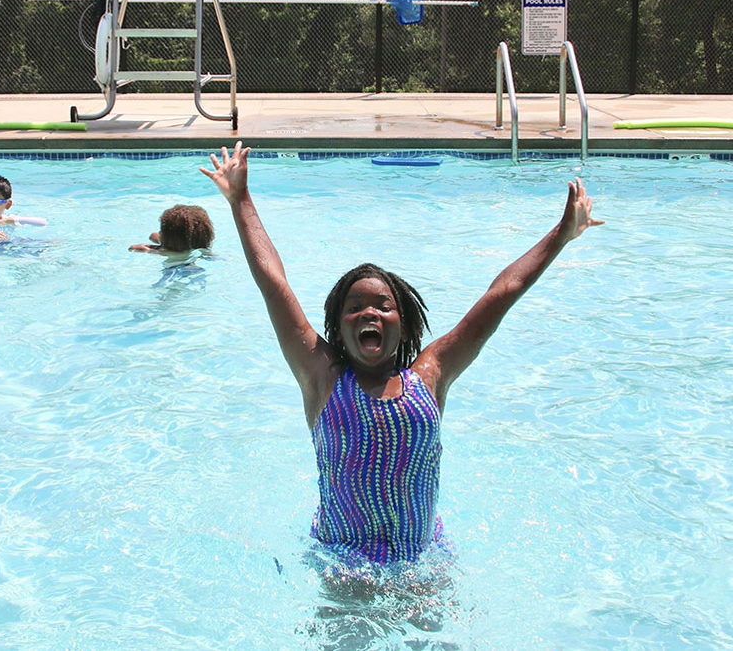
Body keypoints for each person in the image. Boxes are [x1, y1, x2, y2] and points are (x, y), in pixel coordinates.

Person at [200, 142, 604, 565]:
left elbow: (502, 293)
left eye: (383, 306)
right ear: (337, 330)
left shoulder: (431, 376)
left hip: (423, 561)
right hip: (342, 564)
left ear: (405, 324)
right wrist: (240, 200)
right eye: (354, 308)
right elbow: (273, 283)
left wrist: (562, 233)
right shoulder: (323, 378)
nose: (368, 312)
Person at [129, 204, 214, 259]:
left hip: (176, 270)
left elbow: (132, 248)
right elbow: (153, 236)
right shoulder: (203, 250)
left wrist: (150, 250)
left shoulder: (163, 252)